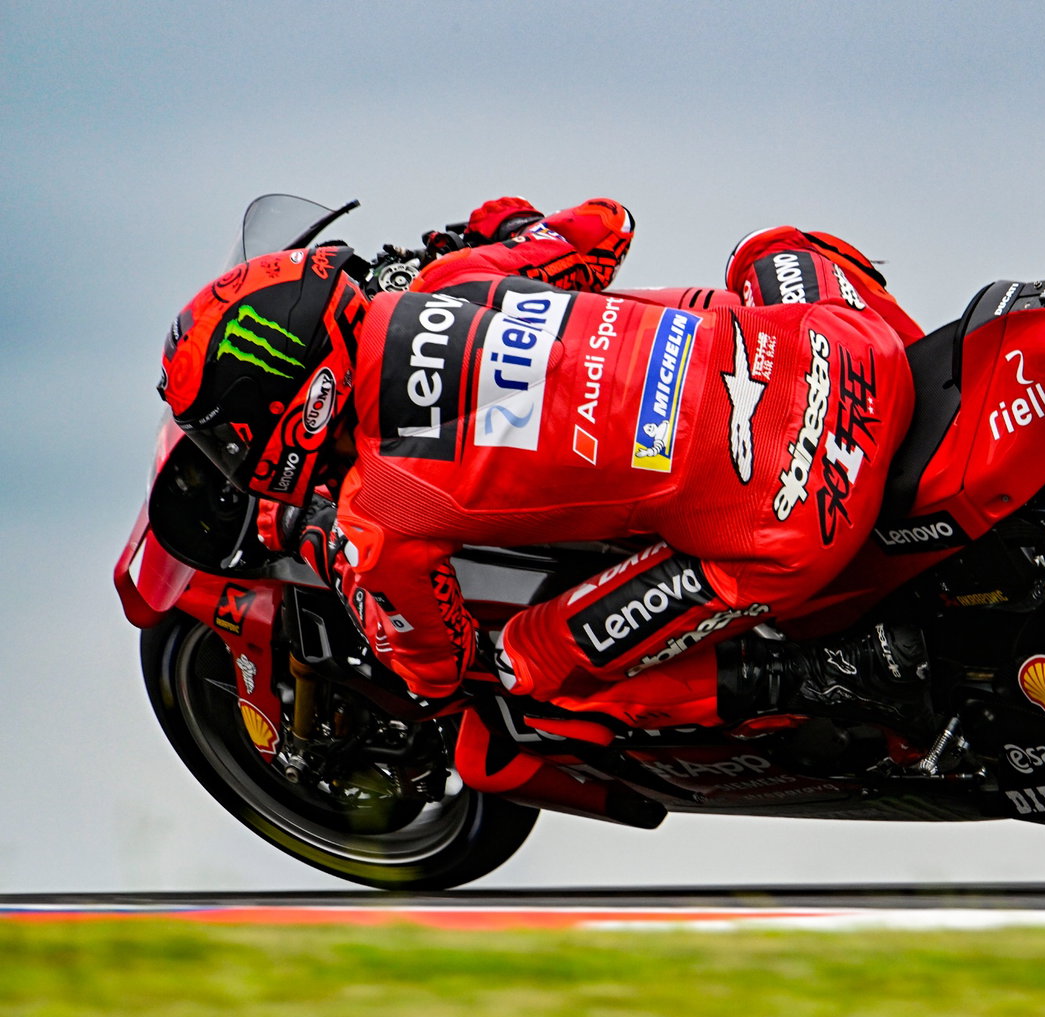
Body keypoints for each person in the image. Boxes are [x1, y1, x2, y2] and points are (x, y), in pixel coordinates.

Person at [157, 195, 932, 813]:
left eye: (230, 435)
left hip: (789, 513)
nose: (231, 453)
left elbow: (437, 670)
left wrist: (328, 547)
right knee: (767, 247)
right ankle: (937, 414)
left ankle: (822, 670)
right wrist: (500, 224)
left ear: (302, 400)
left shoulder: (379, 507)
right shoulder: (445, 283)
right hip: (847, 349)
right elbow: (603, 226)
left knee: (526, 674)